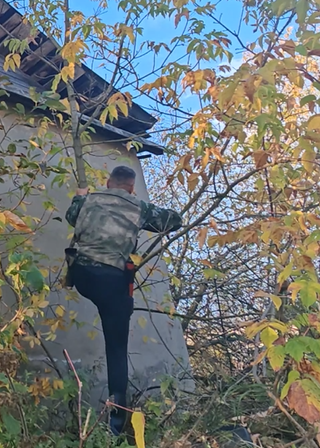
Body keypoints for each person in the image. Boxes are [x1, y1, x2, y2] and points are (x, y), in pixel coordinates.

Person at [64, 165, 182, 436]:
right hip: (112, 281)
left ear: (107, 183)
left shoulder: (88, 201)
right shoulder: (138, 206)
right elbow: (173, 220)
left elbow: (73, 216)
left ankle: (115, 421)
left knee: (111, 310)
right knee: (116, 350)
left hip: (82, 276)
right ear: (131, 187)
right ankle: (117, 424)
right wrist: (141, 207)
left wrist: (80, 195)